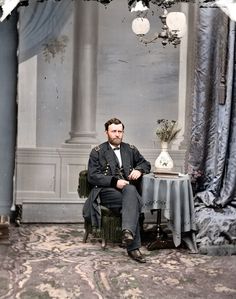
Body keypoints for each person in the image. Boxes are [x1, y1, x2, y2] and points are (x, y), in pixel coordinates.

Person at [83, 118, 151, 263]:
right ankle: (132, 243)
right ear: (106, 132)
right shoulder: (97, 152)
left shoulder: (130, 149)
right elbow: (93, 177)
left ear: (123, 133)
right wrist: (115, 182)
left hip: (127, 191)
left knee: (131, 192)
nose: (117, 134)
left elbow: (145, 163)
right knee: (133, 200)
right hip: (106, 191)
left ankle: (128, 234)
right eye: (114, 131)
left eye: (120, 131)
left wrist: (139, 170)